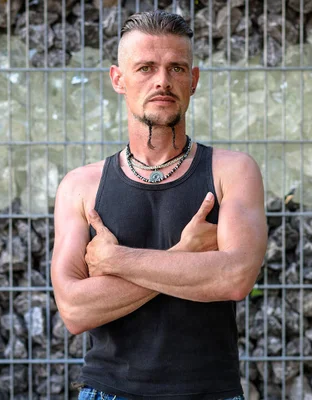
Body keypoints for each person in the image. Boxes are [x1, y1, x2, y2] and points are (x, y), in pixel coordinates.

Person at [51, 9, 267, 400]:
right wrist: (186, 256)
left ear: (194, 79)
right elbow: (74, 310)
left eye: (177, 68)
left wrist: (116, 261)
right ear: (118, 79)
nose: (162, 81)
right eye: (146, 68)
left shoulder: (232, 172)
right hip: (108, 392)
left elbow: (234, 278)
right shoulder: (80, 186)